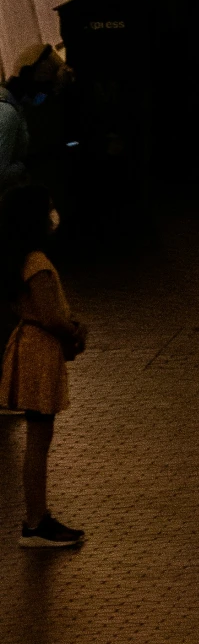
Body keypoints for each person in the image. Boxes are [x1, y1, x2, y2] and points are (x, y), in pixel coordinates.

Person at [0, 182, 86, 547]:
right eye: (48, 207)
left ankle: (38, 517)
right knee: (39, 438)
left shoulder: (16, 257)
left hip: (29, 347)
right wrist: (76, 330)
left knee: (39, 436)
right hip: (39, 352)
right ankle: (36, 521)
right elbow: (51, 316)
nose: (54, 213)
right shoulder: (36, 261)